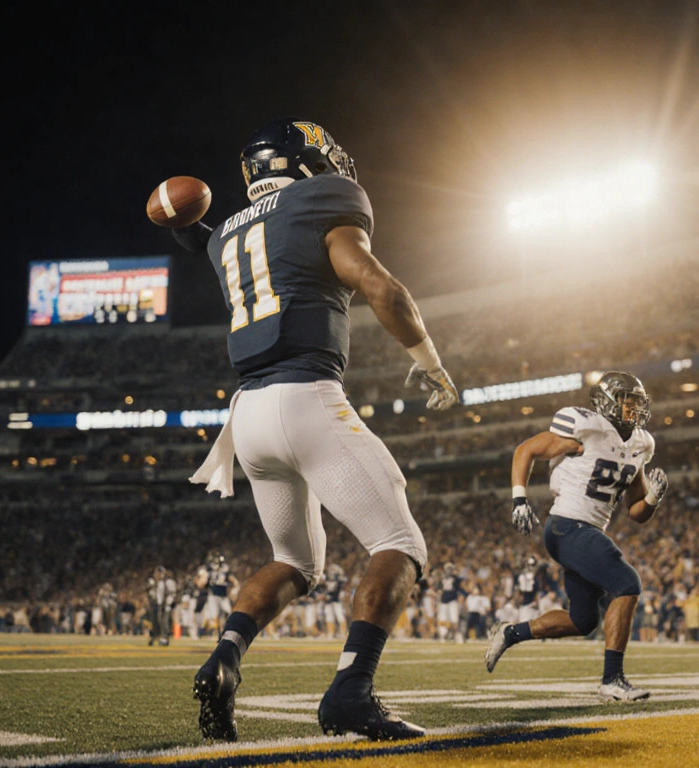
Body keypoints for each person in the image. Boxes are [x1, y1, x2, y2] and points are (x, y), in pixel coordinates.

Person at [181, 118, 458, 742]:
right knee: (401, 544)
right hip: (305, 396)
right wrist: (431, 364)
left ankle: (223, 657)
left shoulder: (225, 231)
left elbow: (206, 240)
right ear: (300, 160)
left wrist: (181, 222)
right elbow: (381, 288)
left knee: (294, 562)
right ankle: (351, 694)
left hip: (247, 416)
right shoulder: (323, 199)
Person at [484, 372, 667, 702]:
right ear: (607, 401)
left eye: (637, 402)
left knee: (583, 621)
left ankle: (509, 633)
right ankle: (612, 680)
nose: (634, 408)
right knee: (627, 582)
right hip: (566, 525)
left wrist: (653, 497)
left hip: (589, 531)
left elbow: (636, 512)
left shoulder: (641, 443)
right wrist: (519, 500)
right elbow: (525, 450)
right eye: (627, 400)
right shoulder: (587, 427)